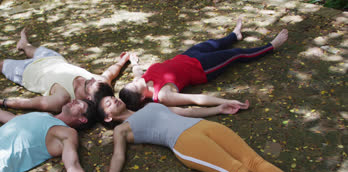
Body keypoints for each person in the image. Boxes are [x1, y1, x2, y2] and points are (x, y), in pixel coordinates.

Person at [97, 96, 338, 172]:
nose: (113, 100)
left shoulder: (149, 105)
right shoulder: (121, 129)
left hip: (202, 125)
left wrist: (217, 109)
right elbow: (119, 155)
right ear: (108, 117)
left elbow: (183, 111)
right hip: (185, 142)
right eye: (108, 103)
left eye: (112, 97)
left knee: (256, 162)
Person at [119, 18, 288, 111]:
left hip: (188, 56)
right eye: (135, 84)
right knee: (235, 54)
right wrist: (225, 101)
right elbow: (197, 99)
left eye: (132, 81)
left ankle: (234, 35)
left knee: (211, 43)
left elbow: (137, 72)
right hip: (203, 68)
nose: (136, 80)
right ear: (142, 97)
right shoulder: (163, 96)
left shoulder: (140, 81)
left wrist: (133, 62)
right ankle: (271, 46)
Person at [0, 28, 130, 113]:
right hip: (52, 59)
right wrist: (124, 59)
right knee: (30, 49)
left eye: (92, 84)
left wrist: (0, 102)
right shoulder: (100, 84)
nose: (93, 79)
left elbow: (30, 103)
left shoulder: (63, 98)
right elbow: (110, 73)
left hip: (26, 71)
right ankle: (23, 44)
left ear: (88, 98)